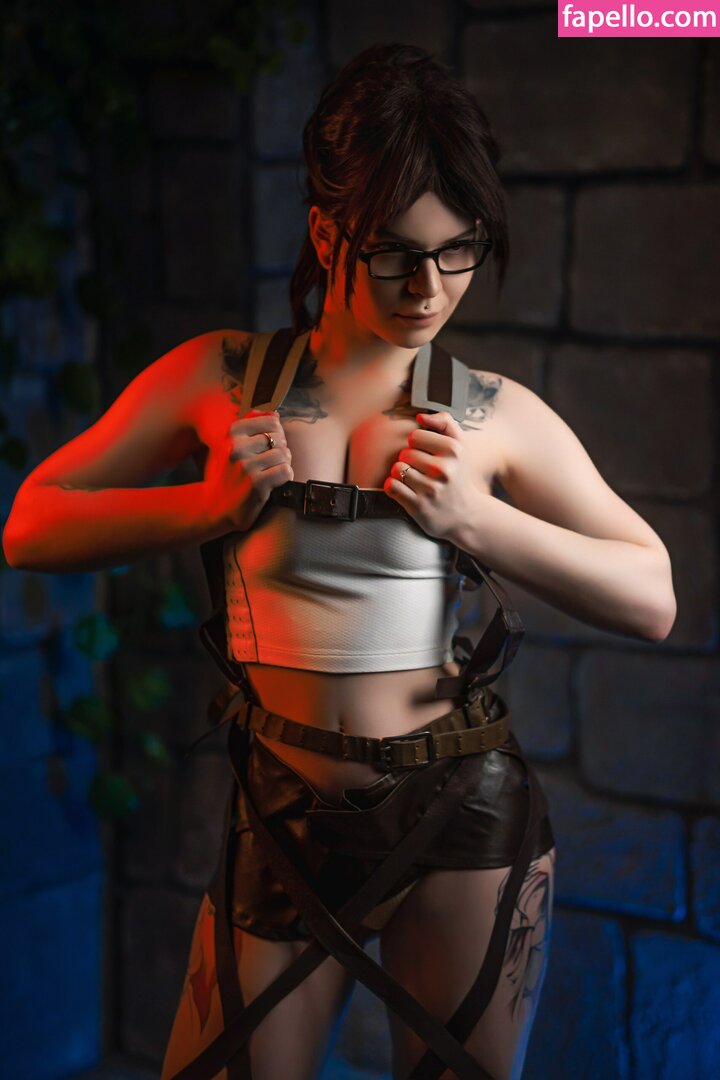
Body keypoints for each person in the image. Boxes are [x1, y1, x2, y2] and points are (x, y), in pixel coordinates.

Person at [2, 42, 676, 1080]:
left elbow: (652, 596)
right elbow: (29, 525)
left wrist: (477, 521)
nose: (430, 287)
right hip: (281, 811)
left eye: (458, 250)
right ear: (327, 232)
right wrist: (204, 508)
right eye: (398, 252)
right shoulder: (225, 377)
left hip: (462, 814)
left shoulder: (491, 413)